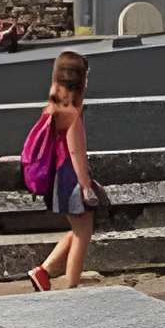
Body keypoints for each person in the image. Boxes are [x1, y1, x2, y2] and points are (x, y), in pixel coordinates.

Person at [21, 49, 100, 292]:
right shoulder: (73, 113)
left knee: (78, 228)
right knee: (83, 233)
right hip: (70, 178)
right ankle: (71, 284)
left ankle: (42, 273)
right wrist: (86, 186)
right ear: (80, 79)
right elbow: (76, 153)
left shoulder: (53, 106)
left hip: (58, 177)